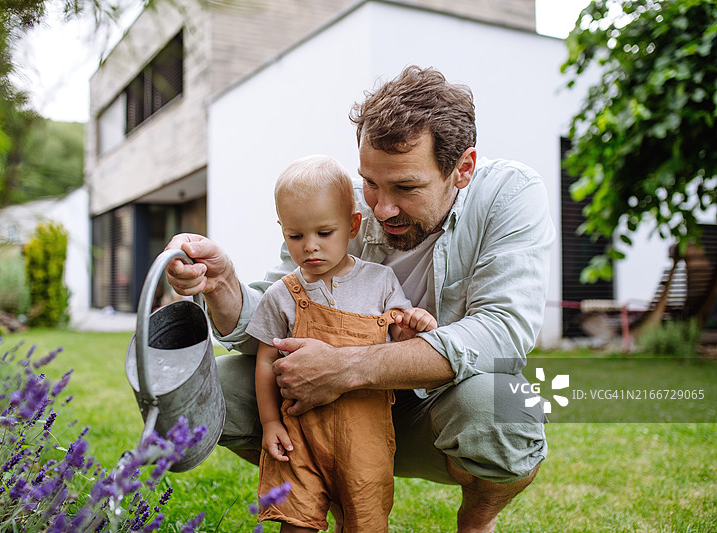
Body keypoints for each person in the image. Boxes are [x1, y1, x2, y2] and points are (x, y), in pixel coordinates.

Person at [165, 65, 554, 533]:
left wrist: (346, 369)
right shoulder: (340, 204)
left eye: (405, 188)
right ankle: (332, 494)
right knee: (217, 388)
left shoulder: (510, 194)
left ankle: (476, 521)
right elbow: (276, 318)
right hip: (327, 418)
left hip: (437, 410)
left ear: (462, 169)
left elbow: (503, 332)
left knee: (507, 411)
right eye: (371, 182)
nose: (380, 208)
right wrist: (222, 283)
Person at [247, 154, 437, 532]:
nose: (310, 247)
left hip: (364, 437)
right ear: (283, 230)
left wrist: (416, 325)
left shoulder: (381, 282)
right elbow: (266, 360)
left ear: (352, 226)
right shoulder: (282, 295)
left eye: (324, 233)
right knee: (296, 520)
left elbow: (399, 337)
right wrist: (270, 422)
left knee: (364, 519)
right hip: (301, 434)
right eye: (296, 236)